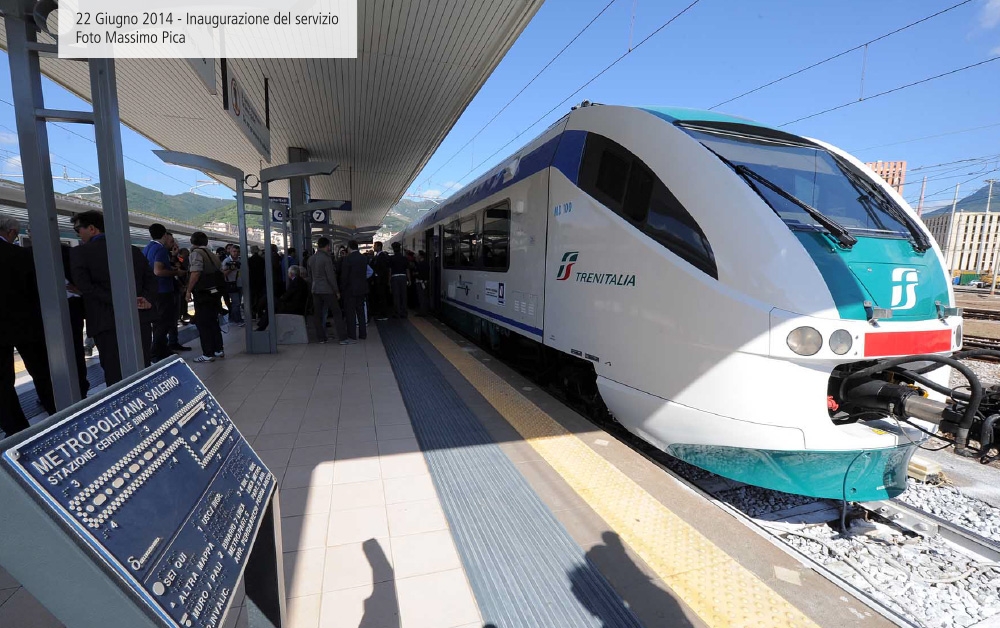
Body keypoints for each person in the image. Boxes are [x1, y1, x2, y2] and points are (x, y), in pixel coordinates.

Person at [70, 211, 157, 386]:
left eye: (78, 229)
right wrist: (143, 298)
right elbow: (151, 278)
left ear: (92, 228)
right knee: (142, 366)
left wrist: (120, 301)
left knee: (115, 373)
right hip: (139, 317)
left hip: (106, 322)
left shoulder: (80, 253)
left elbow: (85, 286)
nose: (78, 234)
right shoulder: (130, 249)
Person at [0, 217, 56, 435]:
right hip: (28, 325)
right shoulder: (22, 256)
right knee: (42, 371)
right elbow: (37, 291)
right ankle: (56, 410)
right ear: (13, 232)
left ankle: (17, 430)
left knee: (2, 382)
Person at [142, 224, 184, 362]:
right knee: (164, 322)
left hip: (152, 292)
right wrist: (176, 272)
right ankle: (155, 352)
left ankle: (162, 349)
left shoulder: (147, 248)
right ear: (165, 235)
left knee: (158, 322)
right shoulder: (160, 249)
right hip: (163, 290)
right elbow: (158, 271)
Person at [185, 231, 226, 363]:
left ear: (193, 241)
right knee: (213, 321)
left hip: (203, 293)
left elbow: (195, 273)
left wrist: (188, 290)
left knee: (203, 323)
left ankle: (207, 353)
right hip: (214, 293)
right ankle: (219, 349)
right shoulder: (213, 255)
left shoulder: (196, 253)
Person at [308, 237, 350, 344]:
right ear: (327, 246)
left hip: (315, 290)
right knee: (337, 312)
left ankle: (321, 338)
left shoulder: (311, 259)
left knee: (317, 314)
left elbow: (310, 276)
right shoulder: (326, 259)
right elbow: (330, 277)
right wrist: (336, 291)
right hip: (327, 290)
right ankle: (342, 338)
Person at [340, 240, 369, 340]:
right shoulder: (364, 258)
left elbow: (344, 276)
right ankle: (363, 334)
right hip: (362, 289)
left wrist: (342, 288)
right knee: (361, 312)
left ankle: (352, 335)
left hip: (350, 290)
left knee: (350, 313)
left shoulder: (347, 259)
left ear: (349, 247)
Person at [223, 244, 244, 326]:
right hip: (231, 284)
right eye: (234, 251)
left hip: (240, 284)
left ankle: (233, 317)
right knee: (236, 303)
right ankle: (237, 320)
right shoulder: (226, 261)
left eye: (238, 252)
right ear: (230, 252)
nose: (236, 253)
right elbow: (223, 274)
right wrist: (231, 269)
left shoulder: (241, 260)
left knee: (237, 302)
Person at [388, 241, 411, 318]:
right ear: (400, 248)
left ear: (393, 249)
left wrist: (389, 281)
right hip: (403, 277)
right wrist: (409, 279)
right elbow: (407, 270)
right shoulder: (404, 258)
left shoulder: (391, 258)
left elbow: (390, 270)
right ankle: (404, 312)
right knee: (404, 295)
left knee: (396, 295)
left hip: (395, 277)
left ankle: (397, 312)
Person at [370, 241, 391, 320]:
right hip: (379, 281)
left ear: (379, 247)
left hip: (381, 281)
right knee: (380, 297)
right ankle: (381, 313)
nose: (373, 247)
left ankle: (383, 314)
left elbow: (383, 269)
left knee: (382, 297)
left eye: (375, 246)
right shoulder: (378, 256)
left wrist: (377, 276)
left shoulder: (382, 256)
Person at [248, 244, 266, 321]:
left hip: (252, 281)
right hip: (261, 281)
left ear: (251, 251)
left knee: (252, 298)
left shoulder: (249, 260)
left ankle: (253, 314)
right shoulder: (262, 259)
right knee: (259, 297)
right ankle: (260, 313)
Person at [415, 250, 430, 315]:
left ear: (420, 256)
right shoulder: (427, 263)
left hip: (420, 282)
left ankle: (422, 311)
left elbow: (418, 273)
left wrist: (415, 274)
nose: (417, 256)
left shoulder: (420, 264)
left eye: (418, 255)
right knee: (425, 296)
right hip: (425, 282)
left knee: (421, 297)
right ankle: (425, 310)